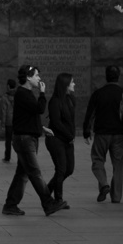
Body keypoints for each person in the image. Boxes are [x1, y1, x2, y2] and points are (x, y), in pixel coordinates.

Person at [2, 65, 65, 217]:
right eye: (37, 75)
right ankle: (48, 203)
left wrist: (42, 128)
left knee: (22, 174)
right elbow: (40, 109)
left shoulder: (26, 93)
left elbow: (26, 116)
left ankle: (10, 205)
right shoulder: (23, 93)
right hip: (25, 139)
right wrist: (43, 93)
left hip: (27, 137)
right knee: (34, 172)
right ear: (29, 77)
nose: (39, 78)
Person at [83, 65, 123, 203]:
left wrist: (86, 131)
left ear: (106, 76)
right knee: (118, 165)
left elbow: (90, 113)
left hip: (102, 132)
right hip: (120, 133)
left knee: (97, 160)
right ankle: (116, 196)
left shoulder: (99, 93)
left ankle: (103, 184)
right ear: (118, 76)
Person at [45, 73, 76, 210]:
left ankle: (46, 192)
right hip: (56, 139)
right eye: (72, 82)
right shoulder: (55, 101)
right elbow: (56, 123)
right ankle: (58, 199)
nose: (74, 84)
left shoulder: (69, 99)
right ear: (65, 85)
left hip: (68, 140)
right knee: (61, 169)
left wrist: (70, 136)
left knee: (69, 169)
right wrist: (69, 135)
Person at [1, 79, 15, 162]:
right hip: (18, 121)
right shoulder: (19, 95)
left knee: (8, 140)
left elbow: (3, 111)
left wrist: (2, 124)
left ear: (8, 86)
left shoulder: (4, 97)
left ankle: (7, 157)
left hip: (9, 121)